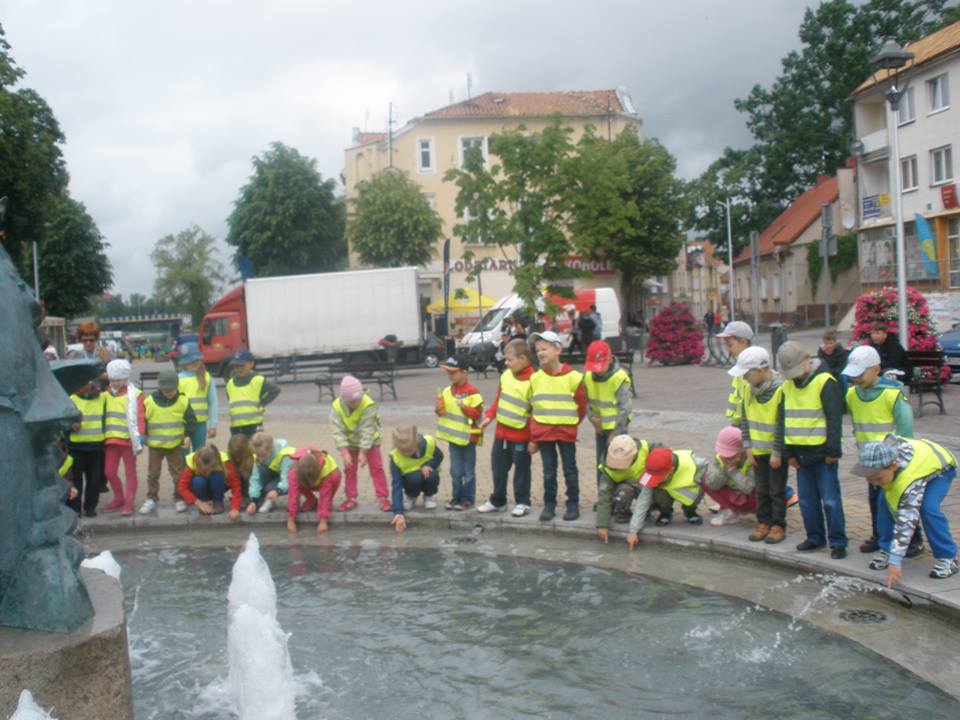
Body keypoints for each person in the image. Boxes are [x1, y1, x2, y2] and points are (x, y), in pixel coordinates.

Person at [841, 345, 922, 557]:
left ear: (876, 369)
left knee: (900, 501)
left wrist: (899, 459)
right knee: (874, 500)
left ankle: (913, 538)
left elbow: (905, 430)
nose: (856, 379)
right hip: (869, 460)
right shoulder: (852, 395)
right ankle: (879, 535)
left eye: (860, 374)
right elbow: (857, 424)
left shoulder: (894, 394)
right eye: (853, 375)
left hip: (892, 461)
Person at [852, 437, 958, 584]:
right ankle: (887, 548)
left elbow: (906, 522)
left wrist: (896, 562)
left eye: (879, 479)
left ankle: (948, 558)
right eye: (870, 479)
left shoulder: (908, 480)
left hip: (941, 468)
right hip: (914, 464)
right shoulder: (879, 457)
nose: (875, 484)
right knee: (884, 502)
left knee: (928, 508)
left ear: (893, 466)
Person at [776, 341, 847, 559]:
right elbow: (783, 419)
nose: (796, 376)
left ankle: (838, 542)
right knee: (807, 501)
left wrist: (833, 451)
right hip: (800, 454)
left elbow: (834, 419)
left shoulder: (825, 382)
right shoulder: (787, 387)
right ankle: (815, 537)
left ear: (807, 359)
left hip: (823, 453)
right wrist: (788, 453)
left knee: (831, 500)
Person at [528, 330, 588, 522]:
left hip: (566, 432)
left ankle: (573, 504)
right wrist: (533, 437)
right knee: (548, 471)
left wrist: (571, 424)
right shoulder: (535, 378)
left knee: (570, 469)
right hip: (544, 433)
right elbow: (532, 408)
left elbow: (581, 406)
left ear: (557, 350)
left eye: (544, 349)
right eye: (538, 350)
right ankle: (549, 505)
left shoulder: (574, 377)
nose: (540, 353)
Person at [733, 347, 788, 544]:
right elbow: (745, 421)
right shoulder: (748, 391)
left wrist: (777, 452)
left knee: (776, 490)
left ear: (759, 370)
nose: (744, 378)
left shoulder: (780, 390)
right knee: (762, 490)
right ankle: (763, 522)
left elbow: (781, 424)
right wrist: (748, 448)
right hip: (756, 451)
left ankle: (778, 525)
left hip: (774, 453)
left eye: (747, 373)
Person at [478, 338, 535, 516]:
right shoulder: (505, 376)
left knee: (521, 471)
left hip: (521, 436)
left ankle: (523, 502)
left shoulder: (535, 380)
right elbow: (498, 400)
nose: (506, 363)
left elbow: (536, 413)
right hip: (501, 434)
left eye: (510, 360)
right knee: (498, 469)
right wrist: (489, 417)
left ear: (523, 359)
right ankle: (498, 500)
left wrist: (534, 439)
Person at [140, 366, 197, 514]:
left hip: (175, 445)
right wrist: (142, 436)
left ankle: (179, 498)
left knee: (178, 474)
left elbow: (192, 421)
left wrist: (188, 435)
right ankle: (151, 498)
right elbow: (143, 421)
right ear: (160, 387)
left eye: (172, 390)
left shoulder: (183, 400)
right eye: (166, 390)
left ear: (177, 386)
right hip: (155, 446)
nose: (169, 393)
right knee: (153, 474)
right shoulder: (149, 401)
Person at [330, 375, 391, 512]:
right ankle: (351, 498)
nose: (356, 404)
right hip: (349, 443)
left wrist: (363, 452)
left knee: (377, 468)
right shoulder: (336, 406)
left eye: (358, 400)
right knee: (349, 470)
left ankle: (383, 497)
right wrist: (344, 452)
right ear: (344, 399)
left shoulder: (368, 404)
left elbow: (367, 429)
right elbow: (337, 431)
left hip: (370, 441)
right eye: (352, 402)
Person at [626, 446, 705, 549]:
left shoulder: (694, 464)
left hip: (685, 487)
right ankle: (665, 513)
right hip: (665, 492)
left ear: (671, 470)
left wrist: (695, 482)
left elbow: (705, 474)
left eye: (658, 477)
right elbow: (643, 500)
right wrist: (633, 531)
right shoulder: (651, 470)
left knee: (698, 490)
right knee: (656, 491)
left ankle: (690, 511)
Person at [584, 339, 633, 491]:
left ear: (610, 359)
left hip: (618, 430)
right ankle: (603, 495)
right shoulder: (588, 377)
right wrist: (592, 418)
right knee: (601, 464)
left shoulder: (619, 378)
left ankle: (620, 496)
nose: (597, 371)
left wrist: (615, 433)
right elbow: (587, 401)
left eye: (600, 366)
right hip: (600, 429)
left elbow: (625, 409)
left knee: (619, 465)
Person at [435, 356, 483, 510]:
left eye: (453, 372)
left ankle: (468, 499)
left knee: (468, 472)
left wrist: (465, 407)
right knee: (455, 472)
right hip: (453, 438)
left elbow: (477, 415)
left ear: (465, 372)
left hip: (469, 438)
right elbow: (442, 413)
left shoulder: (473, 392)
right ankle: (456, 498)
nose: (450, 375)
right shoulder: (446, 391)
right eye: (448, 372)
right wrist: (438, 410)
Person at [102, 359, 144, 515]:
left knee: (130, 472)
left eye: (118, 380)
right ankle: (119, 498)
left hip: (128, 441)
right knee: (109, 472)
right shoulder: (106, 395)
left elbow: (140, 417)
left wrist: (140, 437)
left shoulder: (136, 395)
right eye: (112, 380)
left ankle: (129, 502)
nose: (115, 383)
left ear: (126, 378)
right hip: (111, 440)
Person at [389, 425, 445, 533]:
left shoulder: (428, 444)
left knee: (432, 475)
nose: (406, 453)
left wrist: (428, 465)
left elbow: (439, 456)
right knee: (415, 477)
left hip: (428, 475)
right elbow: (396, 485)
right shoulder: (395, 457)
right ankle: (411, 497)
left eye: (409, 450)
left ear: (415, 443)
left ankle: (429, 496)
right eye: (403, 451)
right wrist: (398, 512)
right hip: (411, 480)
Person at [596, 434, 651, 543]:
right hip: (625, 489)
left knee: (652, 496)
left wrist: (633, 530)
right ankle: (622, 512)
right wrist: (602, 525)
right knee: (624, 491)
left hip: (644, 484)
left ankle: (655, 510)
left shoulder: (647, 449)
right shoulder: (607, 468)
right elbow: (604, 496)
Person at [67, 379, 106, 517]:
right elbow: (63, 421)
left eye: (87, 382)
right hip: (76, 446)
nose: (84, 386)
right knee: (75, 481)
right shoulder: (71, 399)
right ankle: (75, 509)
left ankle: (90, 508)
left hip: (96, 446)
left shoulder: (102, 397)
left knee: (94, 480)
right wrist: (70, 426)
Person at [702, 427, 757, 527]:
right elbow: (712, 485)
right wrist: (724, 469)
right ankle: (730, 511)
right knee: (704, 477)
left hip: (752, 500)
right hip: (735, 496)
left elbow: (750, 488)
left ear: (742, 449)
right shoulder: (721, 457)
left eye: (730, 453)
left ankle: (759, 514)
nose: (726, 457)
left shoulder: (752, 457)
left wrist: (732, 471)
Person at [177, 445, 242, 520]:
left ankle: (218, 501)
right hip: (202, 489)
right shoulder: (192, 460)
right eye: (203, 470)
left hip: (218, 488)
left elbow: (235, 485)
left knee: (217, 476)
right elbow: (182, 487)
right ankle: (205, 501)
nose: (207, 471)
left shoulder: (224, 461)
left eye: (209, 468)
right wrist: (197, 502)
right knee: (198, 481)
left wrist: (235, 508)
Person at [286, 446, 341, 535]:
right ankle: (311, 499)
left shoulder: (326, 472)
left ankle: (324, 508)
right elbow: (293, 495)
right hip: (306, 478)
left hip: (331, 477)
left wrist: (323, 521)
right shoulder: (294, 472)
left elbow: (325, 496)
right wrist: (290, 519)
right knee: (295, 483)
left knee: (327, 500)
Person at [226, 349, 281, 438]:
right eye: (236, 366)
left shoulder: (258, 380)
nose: (239, 368)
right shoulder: (230, 383)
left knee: (255, 445)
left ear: (251, 364)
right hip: (236, 426)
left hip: (254, 424)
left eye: (242, 365)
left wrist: (262, 403)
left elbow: (275, 390)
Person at [177, 342, 217, 451]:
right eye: (190, 361)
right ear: (184, 363)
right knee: (183, 454)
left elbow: (213, 402)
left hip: (200, 424)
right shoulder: (178, 379)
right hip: (182, 424)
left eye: (196, 360)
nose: (193, 363)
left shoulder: (207, 378)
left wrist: (213, 425)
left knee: (199, 454)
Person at [715, 321, 754, 427]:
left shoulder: (750, 367)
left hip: (746, 424)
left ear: (743, 342)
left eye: (730, 345)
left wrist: (737, 423)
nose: (728, 349)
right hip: (740, 423)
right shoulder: (740, 366)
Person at [249, 432, 296, 514]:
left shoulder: (285, 454)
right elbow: (255, 478)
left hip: (291, 478)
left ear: (270, 448)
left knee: (269, 487)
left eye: (263, 455)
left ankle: (270, 499)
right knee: (262, 469)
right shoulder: (259, 454)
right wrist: (253, 500)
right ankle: (262, 499)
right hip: (276, 475)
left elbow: (286, 478)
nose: (260, 458)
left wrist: (277, 491)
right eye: (258, 455)